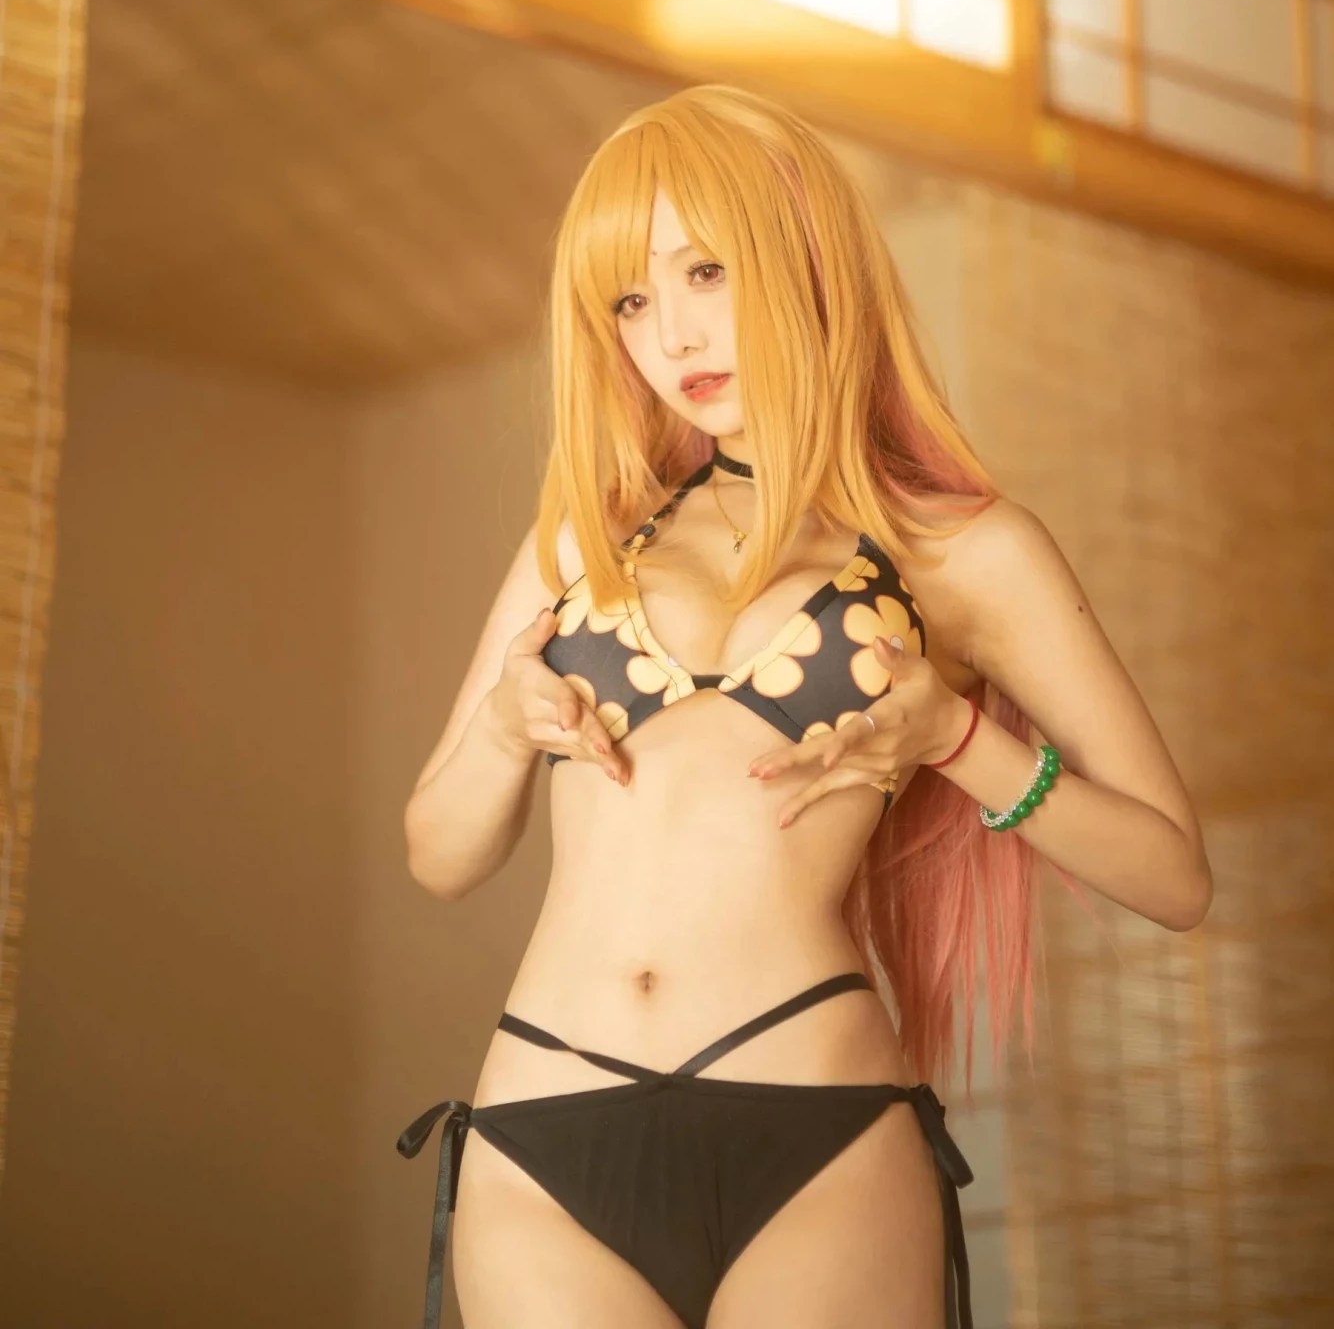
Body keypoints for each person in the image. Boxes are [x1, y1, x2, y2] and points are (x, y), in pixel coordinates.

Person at [397, 83, 1212, 1329]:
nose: (671, 333)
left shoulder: (968, 553)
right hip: (542, 1126)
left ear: (805, 255)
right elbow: (439, 853)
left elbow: (1173, 876)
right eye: (628, 299)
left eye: (703, 270)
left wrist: (955, 738)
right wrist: (507, 728)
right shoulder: (585, 533)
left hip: (816, 1130)